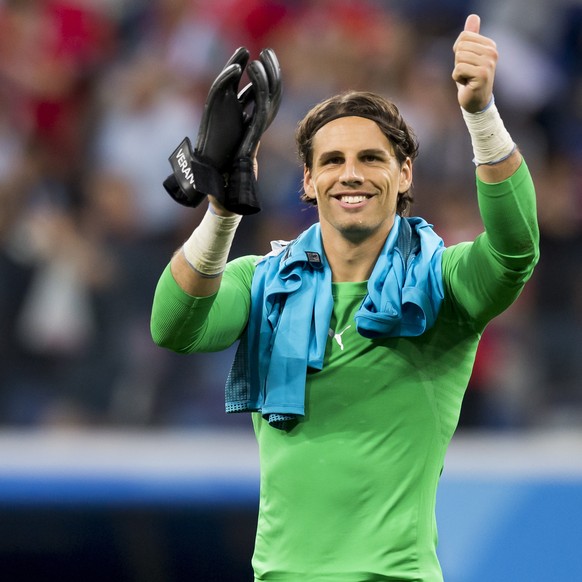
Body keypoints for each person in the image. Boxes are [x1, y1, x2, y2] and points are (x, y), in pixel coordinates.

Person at [150, 14, 539, 582]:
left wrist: (480, 114)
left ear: (405, 173)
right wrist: (222, 209)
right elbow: (174, 327)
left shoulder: (441, 286)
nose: (350, 174)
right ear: (307, 181)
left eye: (371, 158)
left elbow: (515, 249)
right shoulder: (263, 282)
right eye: (331, 161)